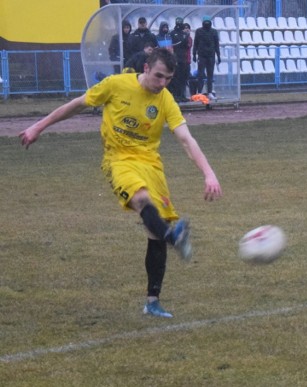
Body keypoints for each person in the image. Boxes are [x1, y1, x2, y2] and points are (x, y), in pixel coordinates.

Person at [19, 48, 222, 318]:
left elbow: (186, 139)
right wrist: (37, 127)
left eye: (168, 79)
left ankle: (152, 302)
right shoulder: (116, 85)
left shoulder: (165, 100)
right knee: (141, 200)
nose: (162, 83)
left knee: (155, 233)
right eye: (159, 76)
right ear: (146, 68)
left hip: (151, 165)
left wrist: (209, 173)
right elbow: (76, 105)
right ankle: (175, 236)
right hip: (119, 160)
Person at [193, 15, 221, 101]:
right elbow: (196, 43)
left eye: (208, 22)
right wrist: (194, 54)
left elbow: (216, 44)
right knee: (201, 75)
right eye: (205, 22)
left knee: (210, 75)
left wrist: (218, 56)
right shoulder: (199, 31)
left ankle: (209, 92)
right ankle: (199, 92)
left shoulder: (214, 32)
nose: (207, 24)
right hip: (202, 56)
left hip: (211, 56)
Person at [169, 18, 191, 102]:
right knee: (175, 78)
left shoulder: (184, 34)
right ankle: (175, 95)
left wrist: (187, 38)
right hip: (175, 59)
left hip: (183, 59)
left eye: (180, 23)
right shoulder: (172, 33)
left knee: (183, 79)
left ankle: (182, 95)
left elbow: (187, 46)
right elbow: (172, 45)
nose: (179, 24)